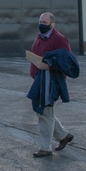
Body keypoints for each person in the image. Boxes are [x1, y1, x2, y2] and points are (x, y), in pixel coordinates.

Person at [29, 12, 75, 157]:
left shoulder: (60, 39)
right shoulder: (39, 37)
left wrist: (50, 66)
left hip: (50, 81)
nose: (41, 24)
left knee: (44, 112)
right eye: (40, 21)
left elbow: (67, 62)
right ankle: (63, 135)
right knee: (43, 111)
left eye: (44, 22)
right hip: (39, 79)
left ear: (52, 24)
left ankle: (45, 147)